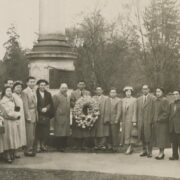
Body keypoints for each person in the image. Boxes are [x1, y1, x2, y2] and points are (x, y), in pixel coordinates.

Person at [0, 86, 21, 163]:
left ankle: (12, 153)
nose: (9, 92)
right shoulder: (3, 102)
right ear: (4, 92)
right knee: (7, 138)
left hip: (13, 122)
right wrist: (17, 115)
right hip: (7, 122)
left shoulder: (12, 100)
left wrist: (17, 114)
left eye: (10, 91)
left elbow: (16, 109)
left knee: (13, 138)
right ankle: (7, 155)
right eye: (7, 91)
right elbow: (7, 113)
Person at [70, 81, 91, 150]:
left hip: (85, 112)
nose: (81, 85)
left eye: (82, 84)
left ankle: (84, 145)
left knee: (84, 127)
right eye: (80, 84)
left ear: (84, 85)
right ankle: (76, 145)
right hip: (76, 113)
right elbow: (71, 102)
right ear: (77, 85)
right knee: (76, 128)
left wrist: (85, 104)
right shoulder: (73, 93)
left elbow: (91, 102)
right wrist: (77, 104)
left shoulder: (88, 93)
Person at [137, 85, 155, 158]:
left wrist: (153, 120)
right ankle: (144, 150)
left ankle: (150, 151)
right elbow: (137, 110)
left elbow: (154, 110)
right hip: (141, 121)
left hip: (149, 120)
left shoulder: (153, 98)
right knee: (142, 136)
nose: (145, 90)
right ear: (142, 90)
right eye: (143, 89)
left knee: (149, 136)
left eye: (146, 89)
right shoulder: (139, 99)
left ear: (149, 90)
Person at [22, 76, 38, 157]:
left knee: (33, 134)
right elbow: (25, 105)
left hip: (34, 114)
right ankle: (28, 150)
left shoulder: (34, 90)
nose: (32, 83)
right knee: (29, 134)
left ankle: (30, 148)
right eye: (31, 82)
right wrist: (28, 117)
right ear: (27, 83)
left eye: (33, 81)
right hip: (29, 114)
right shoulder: (25, 92)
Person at [36, 79, 54, 152]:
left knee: (45, 131)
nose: (43, 87)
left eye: (44, 85)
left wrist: (46, 108)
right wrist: (40, 109)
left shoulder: (48, 94)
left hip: (46, 114)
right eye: (41, 85)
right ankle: (38, 145)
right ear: (38, 86)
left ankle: (43, 145)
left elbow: (50, 103)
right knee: (38, 131)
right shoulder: (35, 93)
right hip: (38, 114)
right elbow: (35, 104)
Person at [53, 83, 70, 152]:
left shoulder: (68, 96)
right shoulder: (56, 96)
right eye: (63, 88)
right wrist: (57, 115)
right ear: (60, 88)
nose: (64, 89)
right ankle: (59, 147)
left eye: (66, 88)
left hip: (66, 117)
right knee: (59, 132)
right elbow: (54, 106)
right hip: (59, 117)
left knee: (65, 132)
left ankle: (63, 146)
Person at [154, 88, 170, 160]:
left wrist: (159, 119)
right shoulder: (156, 100)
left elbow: (166, 112)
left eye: (159, 91)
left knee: (162, 138)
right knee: (158, 138)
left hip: (162, 123)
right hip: (157, 122)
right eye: (156, 92)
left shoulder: (164, 100)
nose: (157, 93)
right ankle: (160, 152)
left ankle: (162, 153)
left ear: (162, 92)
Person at [104, 88, 121, 152]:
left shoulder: (118, 100)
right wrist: (105, 119)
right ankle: (109, 145)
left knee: (115, 134)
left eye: (114, 92)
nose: (112, 94)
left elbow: (119, 111)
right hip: (108, 119)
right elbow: (105, 109)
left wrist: (117, 119)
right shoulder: (107, 100)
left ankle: (115, 146)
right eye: (111, 92)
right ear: (109, 93)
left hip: (114, 119)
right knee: (109, 133)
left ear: (116, 93)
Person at [12, 81, 27, 158]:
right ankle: (15, 152)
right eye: (17, 87)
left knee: (20, 133)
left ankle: (17, 151)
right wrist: (17, 116)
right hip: (16, 118)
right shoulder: (13, 96)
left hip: (21, 117)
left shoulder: (19, 96)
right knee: (16, 134)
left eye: (20, 87)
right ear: (14, 88)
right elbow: (14, 107)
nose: (19, 89)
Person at [121, 86, 137, 155]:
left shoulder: (134, 100)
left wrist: (134, 120)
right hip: (125, 120)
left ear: (131, 93)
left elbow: (135, 111)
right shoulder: (123, 100)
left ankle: (130, 147)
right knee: (126, 134)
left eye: (129, 92)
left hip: (131, 120)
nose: (128, 93)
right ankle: (129, 147)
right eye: (126, 92)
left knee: (131, 133)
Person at [169, 91, 180, 160]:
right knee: (174, 142)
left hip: (179, 126)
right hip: (172, 127)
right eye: (174, 94)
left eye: (176, 94)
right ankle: (175, 156)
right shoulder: (171, 104)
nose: (175, 95)